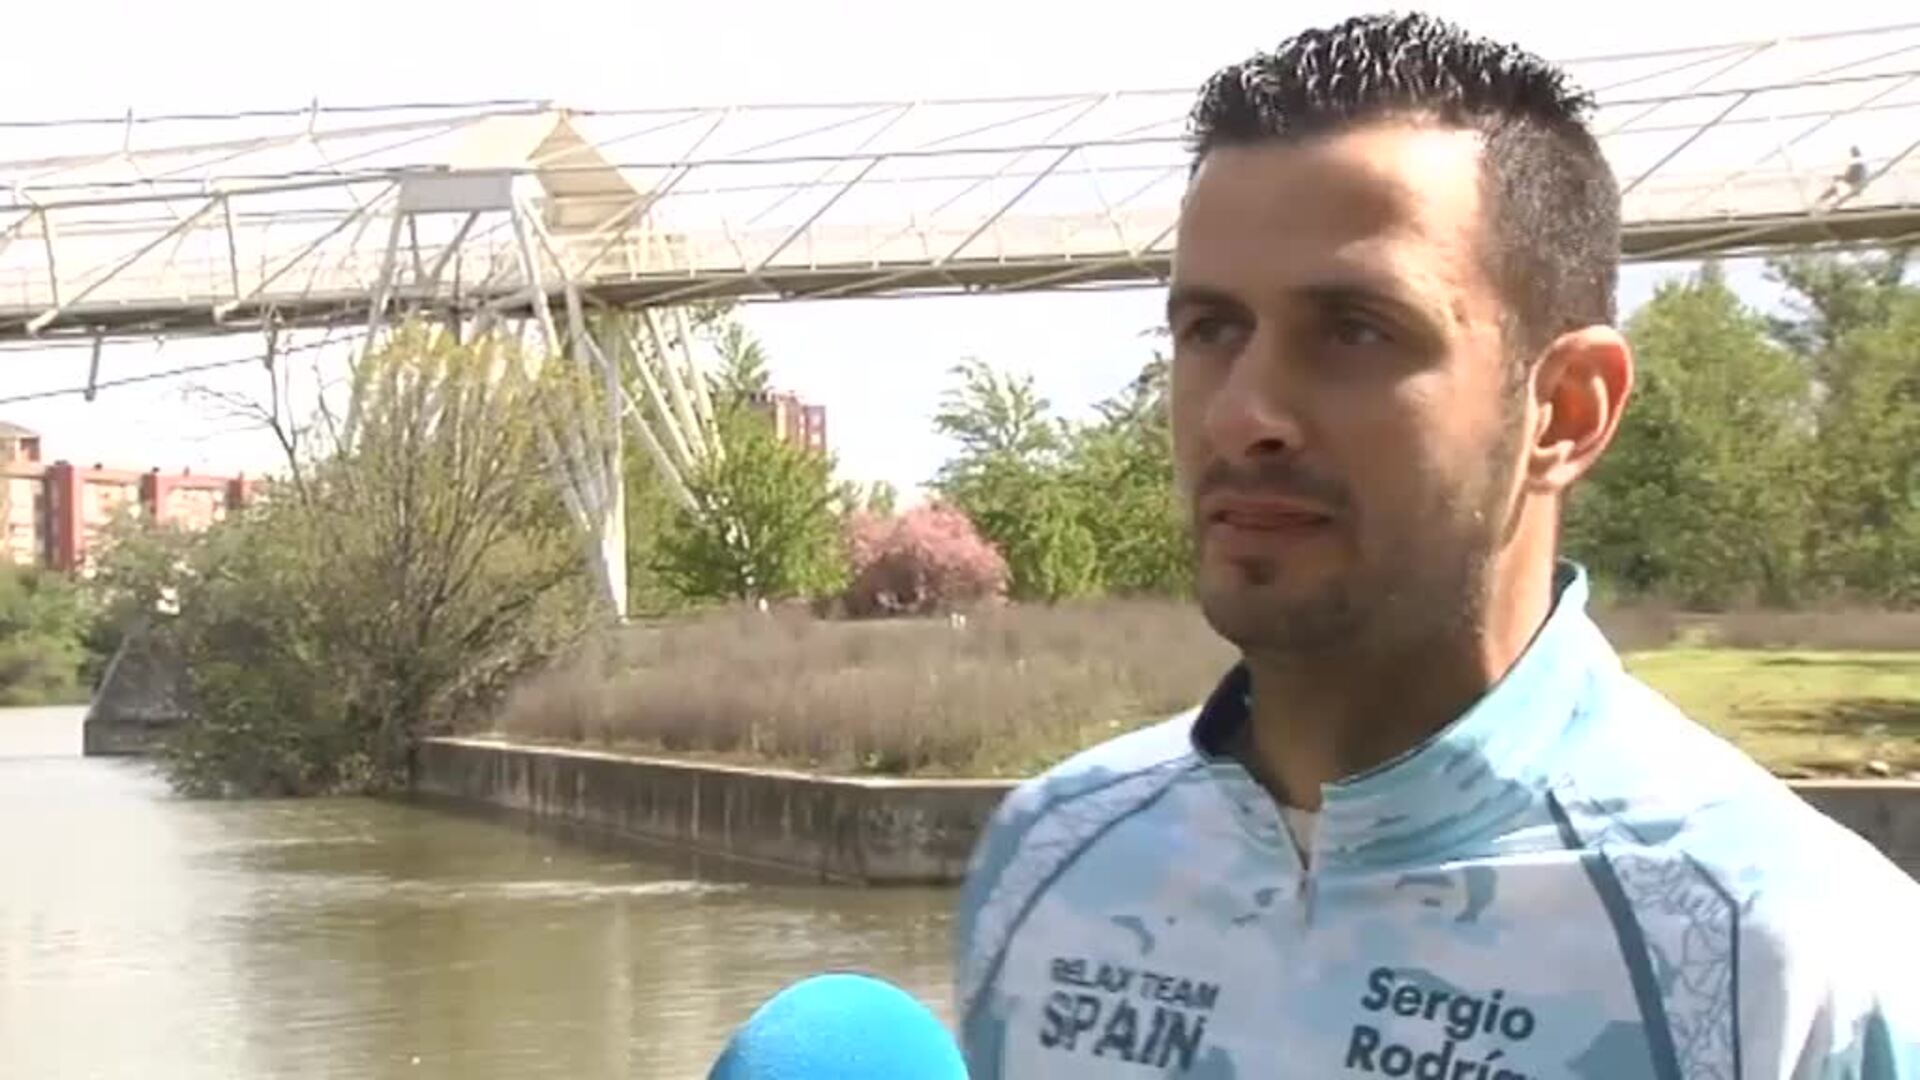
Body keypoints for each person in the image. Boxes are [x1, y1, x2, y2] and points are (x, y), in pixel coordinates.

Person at [952, 13, 1919, 1079]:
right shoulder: (1051, 862)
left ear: (1567, 410)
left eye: (1356, 330)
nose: (1242, 414)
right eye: (1211, 329)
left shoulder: (1792, 961)